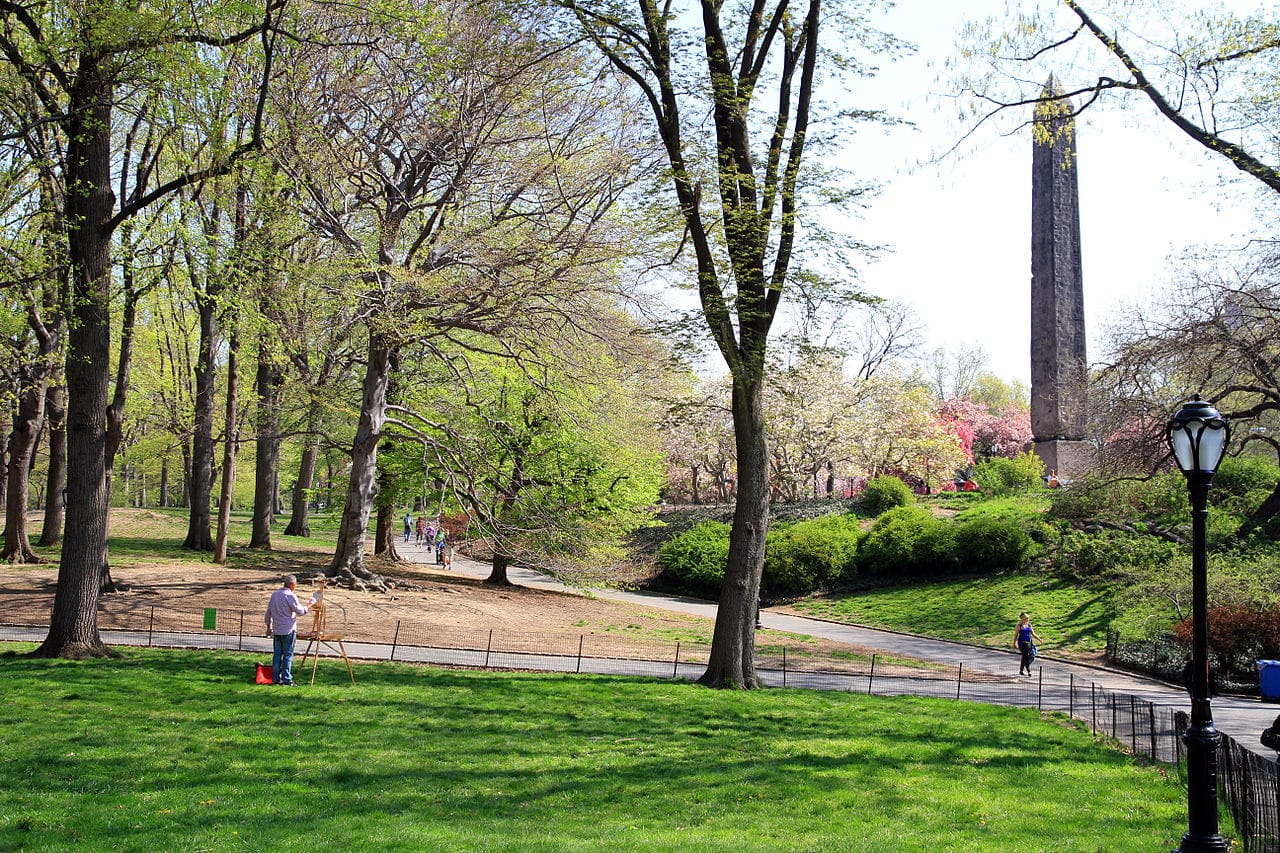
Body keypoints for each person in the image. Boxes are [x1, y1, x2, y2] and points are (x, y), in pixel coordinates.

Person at [265, 574, 310, 686]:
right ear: (291, 584)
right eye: (295, 585)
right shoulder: (290, 595)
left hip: (277, 629)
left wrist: (268, 626)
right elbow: (300, 611)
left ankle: (275, 678)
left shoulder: (274, 595)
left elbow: (268, 612)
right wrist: (308, 606)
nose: (295, 587)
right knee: (288, 655)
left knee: (277, 655)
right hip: (288, 630)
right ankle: (286, 679)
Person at [1013, 612, 1043, 677]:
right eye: (1026, 618)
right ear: (1022, 619)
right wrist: (1014, 643)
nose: (1027, 619)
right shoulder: (1019, 625)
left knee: (1024, 656)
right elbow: (1016, 635)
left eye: (1028, 618)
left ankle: (1021, 670)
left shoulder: (1029, 625)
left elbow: (1033, 634)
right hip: (1022, 643)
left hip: (1028, 642)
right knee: (1025, 656)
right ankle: (1029, 671)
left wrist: (1039, 639)